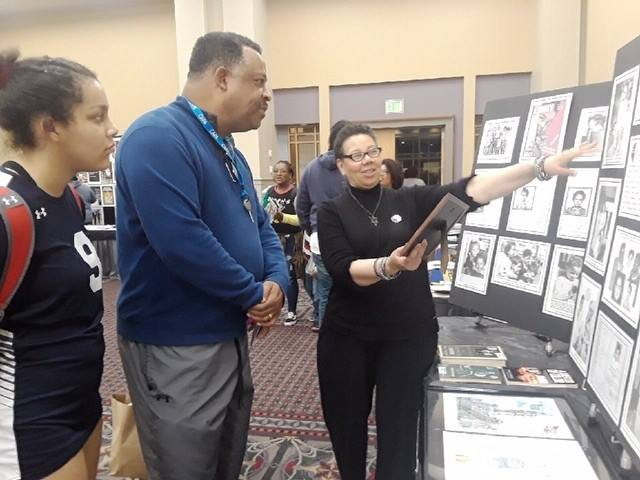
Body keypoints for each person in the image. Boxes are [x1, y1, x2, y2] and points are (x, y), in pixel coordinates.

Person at [316, 122, 595, 479]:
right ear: (341, 165)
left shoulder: (409, 199)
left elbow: (472, 190)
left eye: (372, 151)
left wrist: (538, 167)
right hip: (347, 339)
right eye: (356, 156)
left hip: (406, 338)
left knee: (400, 433)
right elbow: (343, 269)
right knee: (346, 426)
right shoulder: (332, 211)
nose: (367, 161)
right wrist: (390, 265)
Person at [115, 32, 288, 480]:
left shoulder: (228, 148)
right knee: (185, 466)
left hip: (230, 333)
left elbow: (262, 228)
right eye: (259, 81)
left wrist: (277, 284)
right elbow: (183, 242)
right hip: (177, 342)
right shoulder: (157, 137)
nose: (267, 94)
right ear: (223, 78)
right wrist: (253, 293)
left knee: (224, 461)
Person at [0, 50, 118, 479]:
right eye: (97, 117)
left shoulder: (68, 198)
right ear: (49, 127)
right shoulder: (8, 210)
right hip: (28, 421)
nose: (112, 128)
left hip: (81, 404)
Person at [296, 120, 349, 332]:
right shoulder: (349, 167)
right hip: (347, 235)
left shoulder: (310, 168)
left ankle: (326, 331)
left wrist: (310, 229)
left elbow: (301, 205)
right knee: (347, 287)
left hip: (319, 237)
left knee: (325, 289)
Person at [263, 160, 303, 326]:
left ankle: (291, 311)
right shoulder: (268, 192)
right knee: (271, 273)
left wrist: (282, 217)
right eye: (276, 171)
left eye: (283, 171)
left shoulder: (296, 193)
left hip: (292, 239)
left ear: (291, 175)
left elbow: (301, 219)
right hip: (272, 238)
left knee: (290, 274)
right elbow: (263, 212)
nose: (278, 174)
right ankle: (273, 307)